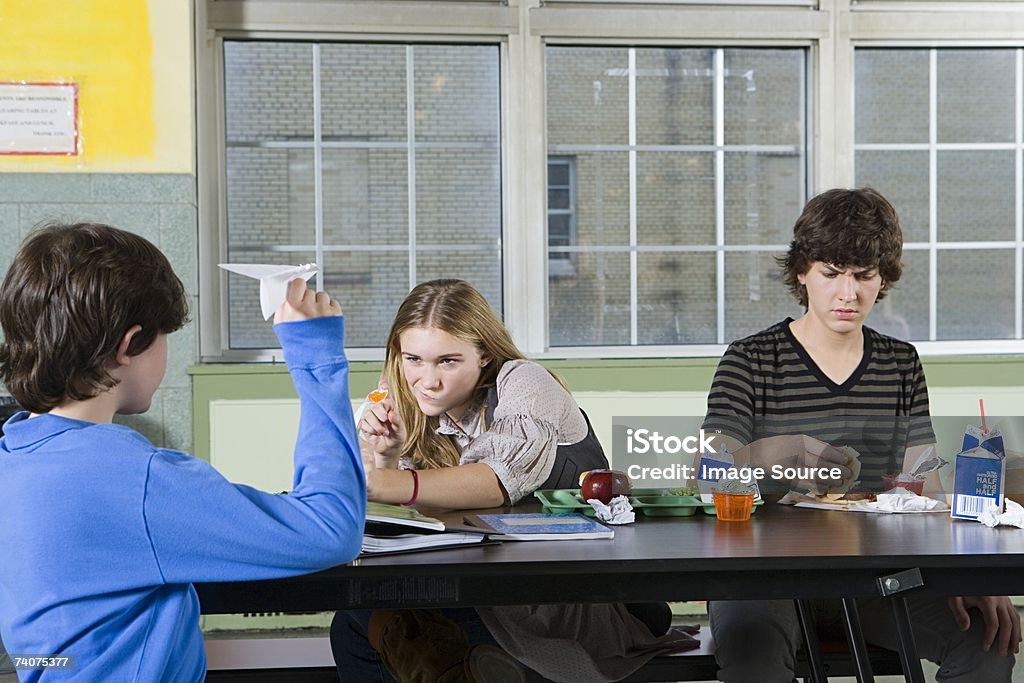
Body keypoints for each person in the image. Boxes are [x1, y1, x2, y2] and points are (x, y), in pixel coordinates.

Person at [0, 222, 366, 682]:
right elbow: (331, 529)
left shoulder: (12, 456)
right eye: (165, 336)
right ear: (129, 345)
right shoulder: (136, 480)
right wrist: (316, 357)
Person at [701, 189, 1021, 682]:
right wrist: (777, 452)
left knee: (987, 641)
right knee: (753, 662)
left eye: (864, 277)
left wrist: (967, 571)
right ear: (803, 271)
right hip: (765, 577)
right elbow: (711, 472)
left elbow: (925, 487)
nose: (848, 294)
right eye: (831, 274)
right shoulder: (751, 360)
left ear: (883, 279)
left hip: (881, 577)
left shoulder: (900, 363)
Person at [331, 278, 692, 683]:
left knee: (376, 620)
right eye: (413, 359)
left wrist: (379, 482)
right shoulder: (403, 400)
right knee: (358, 619)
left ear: (484, 353)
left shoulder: (524, 382)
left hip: (569, 600)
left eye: (447, 361)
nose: (427, 380)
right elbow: (406, 516)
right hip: (483, 588)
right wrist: (387, 456)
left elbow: (496, 480)